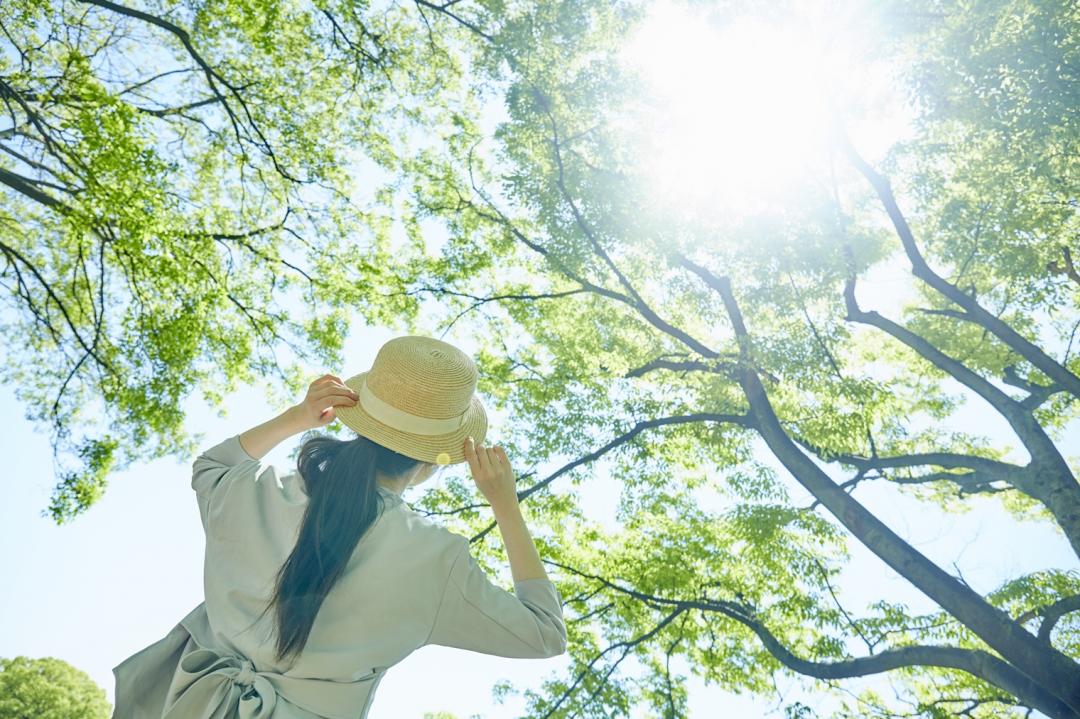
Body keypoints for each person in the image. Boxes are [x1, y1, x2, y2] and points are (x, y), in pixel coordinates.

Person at [111, 335, 567, 718]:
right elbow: (544, 632)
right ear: (432, 462)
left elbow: (211, 465)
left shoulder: (262, 490)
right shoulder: (436, 560)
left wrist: (298, 417)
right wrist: (506, 507)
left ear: (358, 417)